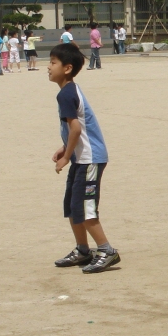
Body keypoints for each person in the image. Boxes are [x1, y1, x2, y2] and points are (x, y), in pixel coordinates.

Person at [49, 43, 121, 273]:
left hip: (89, 159)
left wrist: (66, 156)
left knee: (86, 209)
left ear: (67, 68)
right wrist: (64, 148)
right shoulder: (68, 91)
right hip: (83, 158)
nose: (48, 68)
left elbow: (77, 130)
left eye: (53, 63)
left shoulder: (66, 94)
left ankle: (106, 250)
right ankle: (82, 249)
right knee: (72, 206)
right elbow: (74, 130)